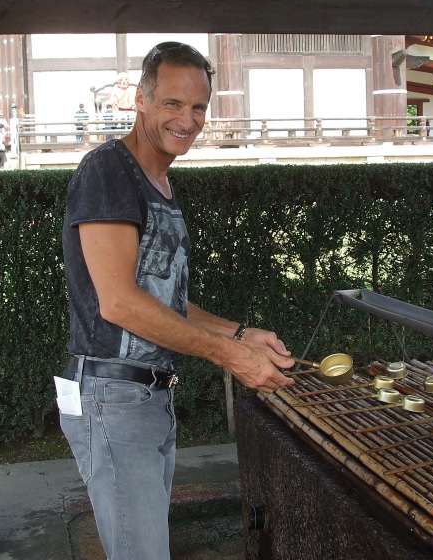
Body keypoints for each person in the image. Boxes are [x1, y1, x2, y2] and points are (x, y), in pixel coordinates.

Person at [58, 42, 294, 560]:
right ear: (140, 100)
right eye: (172, 103)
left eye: (198, 107)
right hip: (112, 396)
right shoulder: (108, 172)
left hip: (147, 398)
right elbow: (118, 303)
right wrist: (228, 356)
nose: (187, 120)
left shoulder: (159, 182)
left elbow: (160, 299)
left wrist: (238, 333)